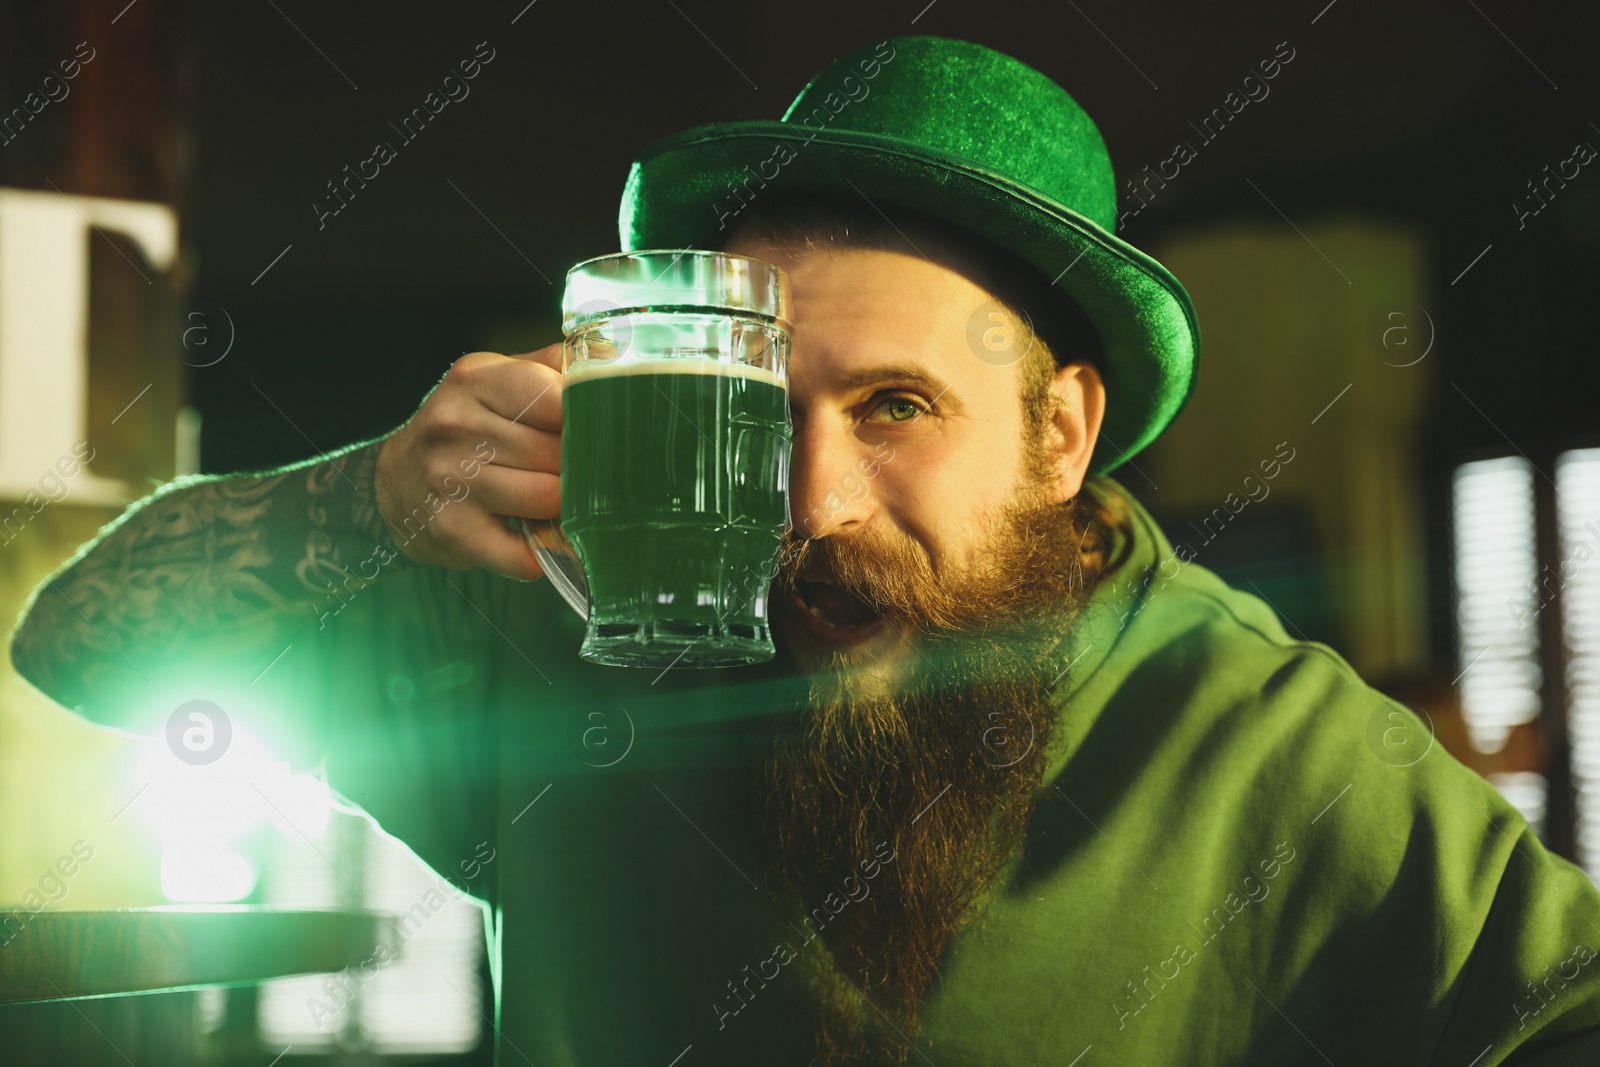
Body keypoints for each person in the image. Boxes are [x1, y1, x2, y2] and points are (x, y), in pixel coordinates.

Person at [9, 33, 1600, 1066]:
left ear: (1061, 434)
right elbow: (77, 635)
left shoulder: (1257, 736)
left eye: (898, 405)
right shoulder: (575, 641)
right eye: (765, 413)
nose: (814, 501)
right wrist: (355, 501)